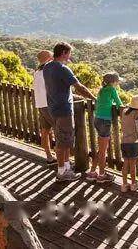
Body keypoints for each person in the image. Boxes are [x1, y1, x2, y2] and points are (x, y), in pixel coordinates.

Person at [43, 42, 96, 182]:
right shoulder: (63, 69)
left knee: (65, 139)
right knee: (62, 142)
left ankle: (66, 168)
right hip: (63, 109)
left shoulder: (47, 67)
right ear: (64, 53)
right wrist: (94, 98)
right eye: (69, 53)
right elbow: (80, 88)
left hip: (53, 108)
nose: (70, 56)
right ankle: (61, 172)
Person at [86, 72, 123, 183]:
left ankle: (92, 172)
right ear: (113, 82)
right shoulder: (112, 90)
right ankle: (101, 175)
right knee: (103, 151)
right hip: (105, 121)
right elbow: (119, 104)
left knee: (101, 149)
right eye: (117, 81)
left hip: (97, 120)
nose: (118, 83)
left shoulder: (102, 90)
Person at [33, 50, 56, 165]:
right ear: (48, 58)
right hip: (49, 104)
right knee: (59, 131)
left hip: (41, 104)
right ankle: (62, 159)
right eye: (52, 57)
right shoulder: (47, 71)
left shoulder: (37, 71)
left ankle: (49, 156)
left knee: (45, 131)